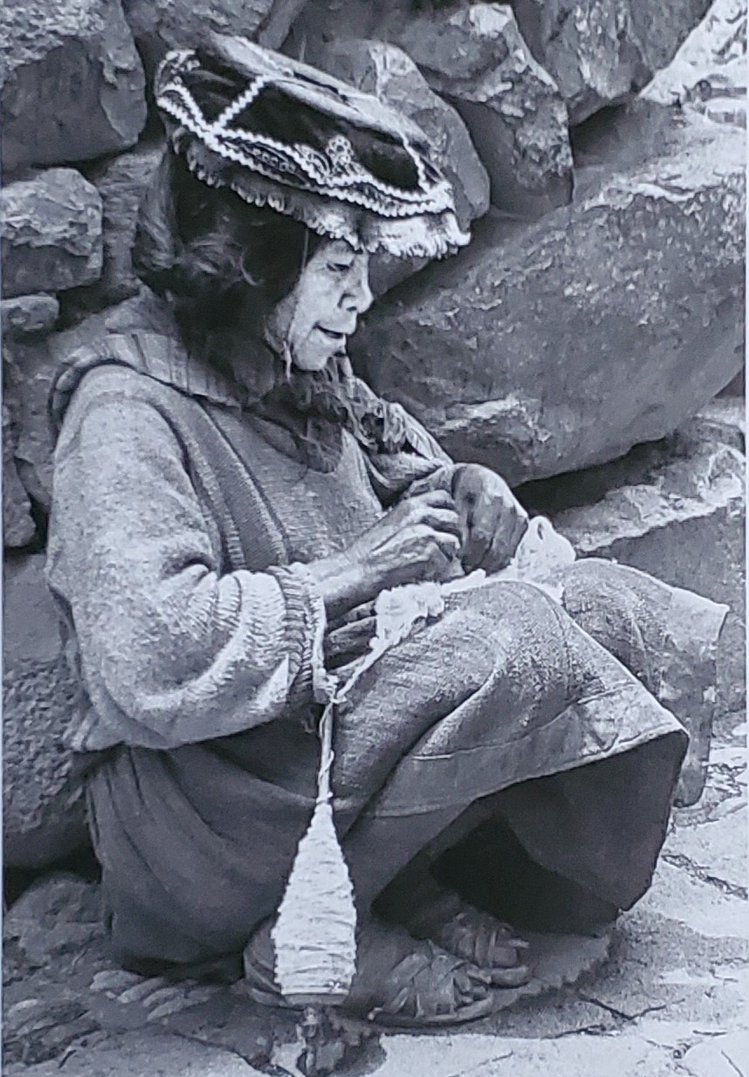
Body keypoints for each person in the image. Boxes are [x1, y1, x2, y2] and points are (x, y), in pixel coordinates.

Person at [46, 38, 716, 1026]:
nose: (360, 298)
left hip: (325, 761)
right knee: (515, 646)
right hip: (204, 819)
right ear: (249, 260)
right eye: (339, 266)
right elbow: (150, 660)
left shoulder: (304, 373)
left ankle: (414, 885)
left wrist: (468, 495)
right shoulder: (122, 413)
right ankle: (311, 932)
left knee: (608, 610)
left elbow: (413, 482)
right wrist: (355, 572)